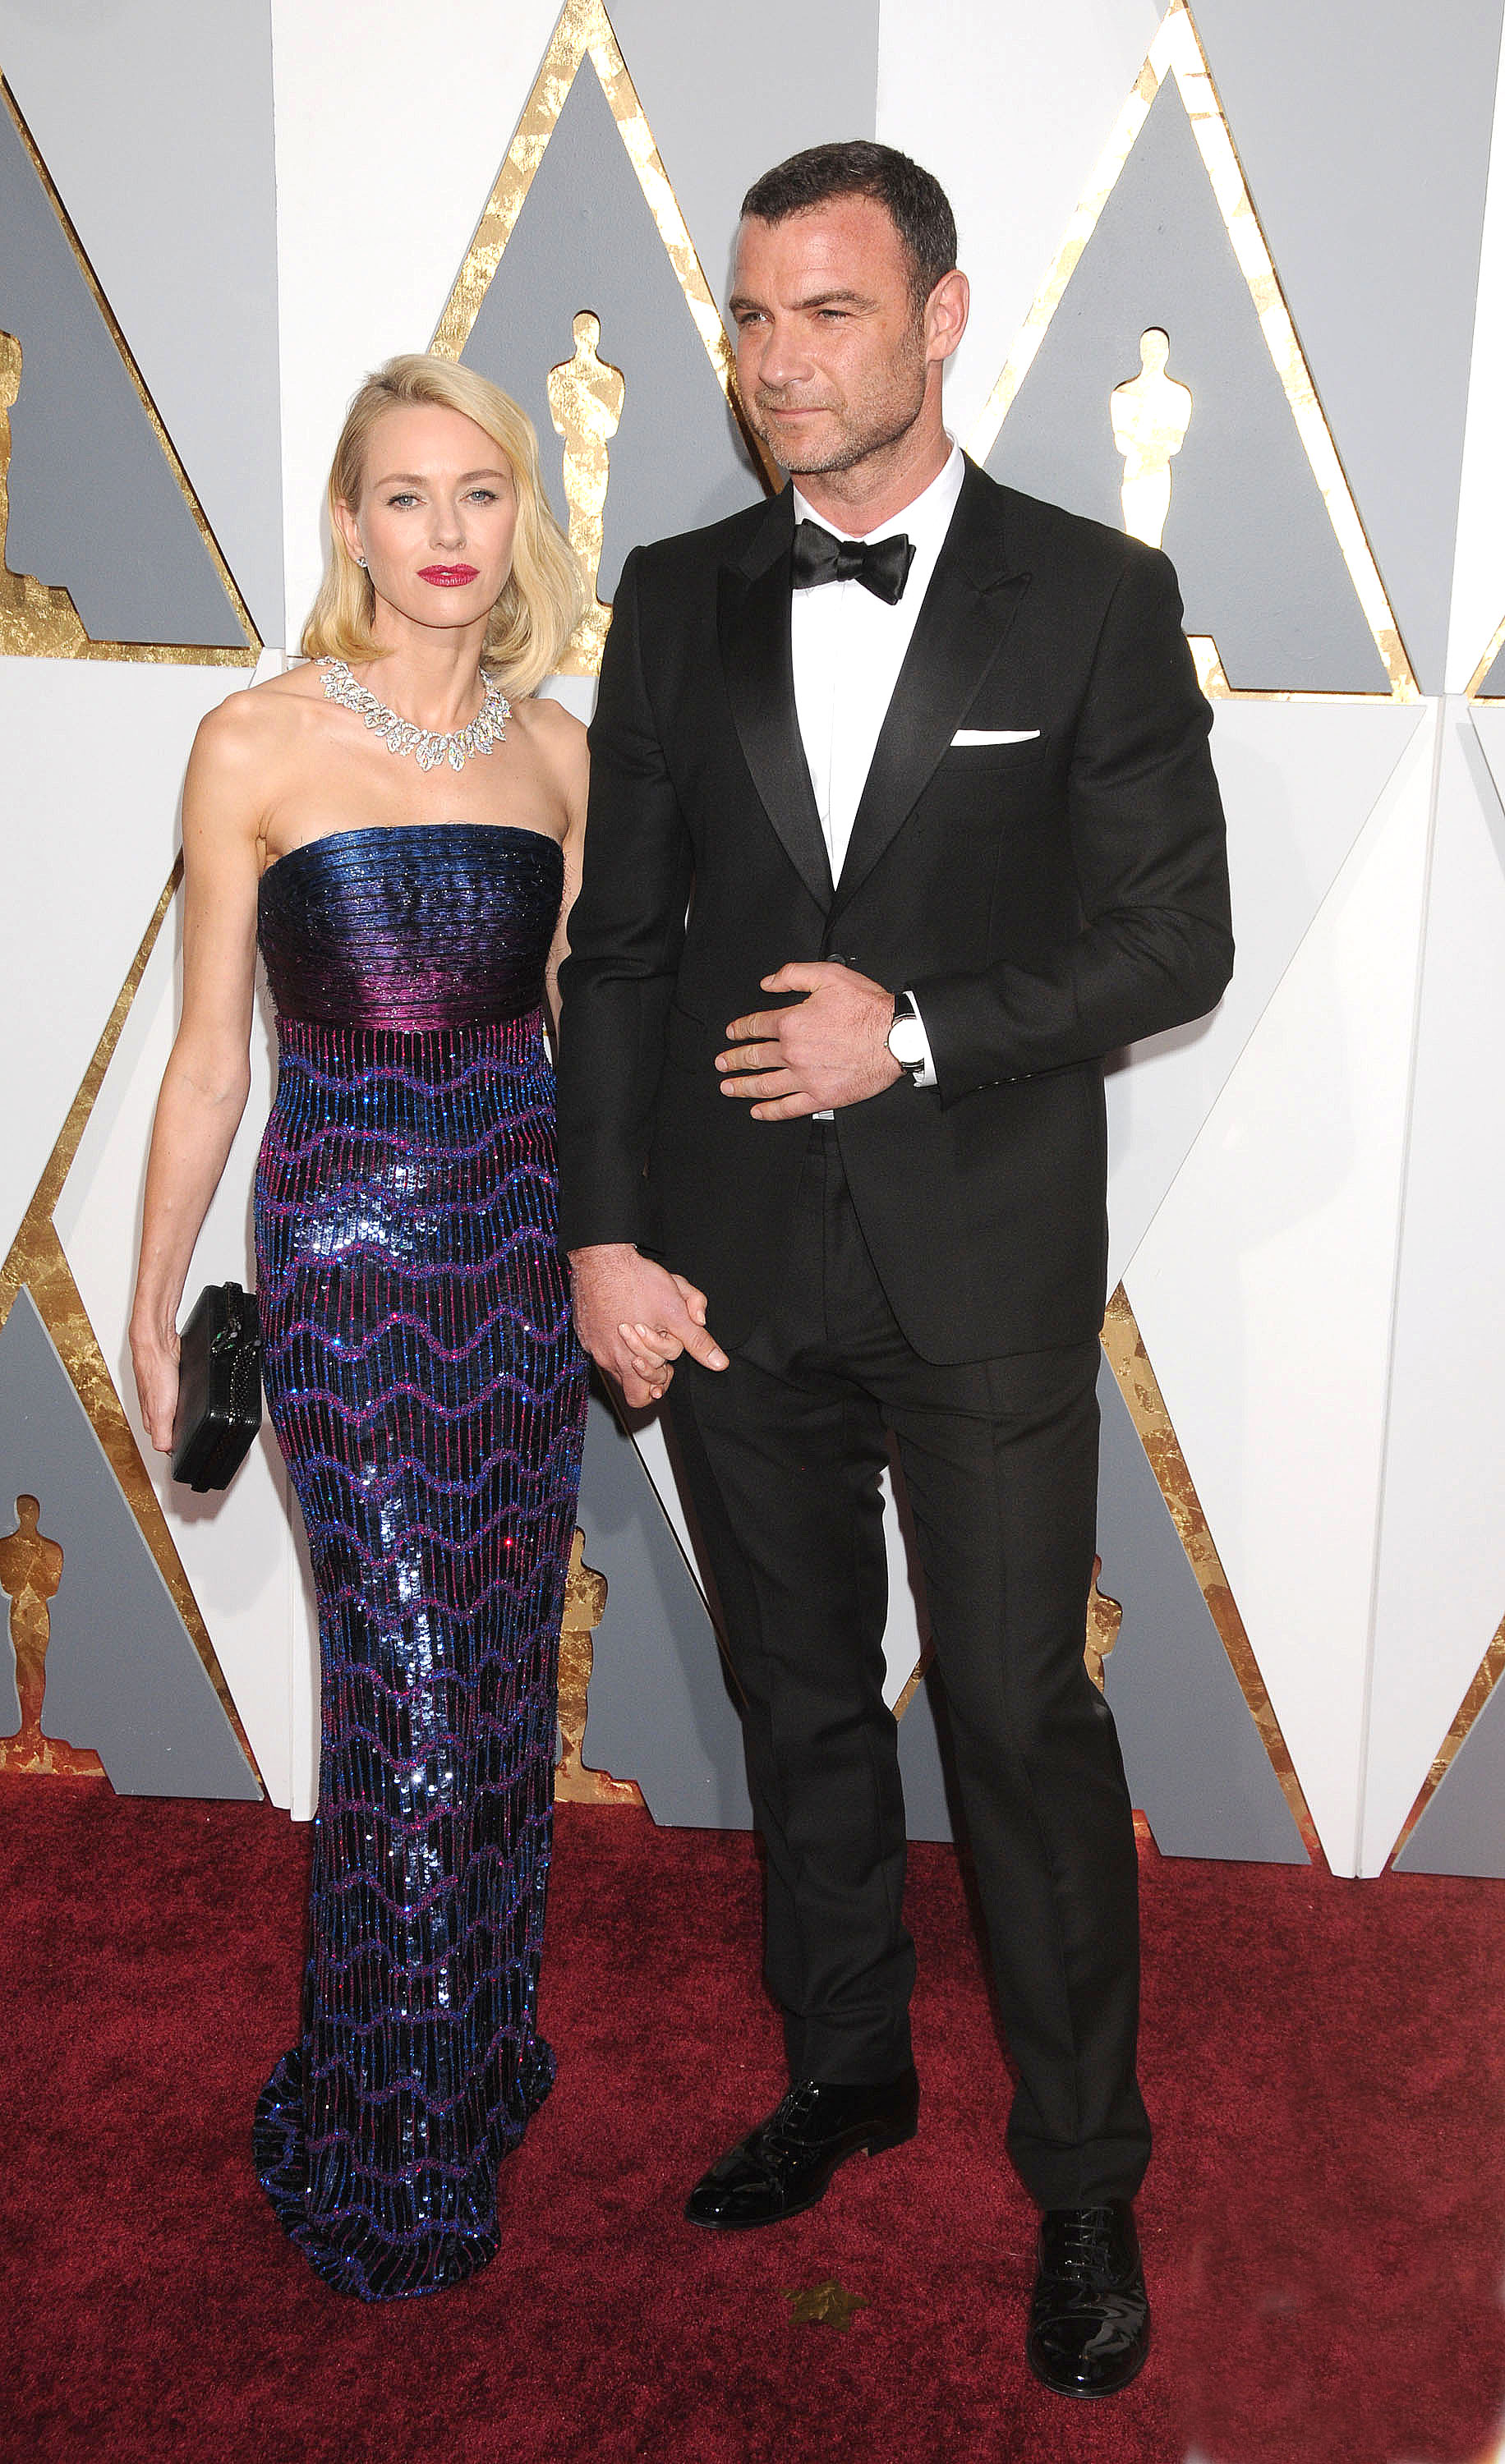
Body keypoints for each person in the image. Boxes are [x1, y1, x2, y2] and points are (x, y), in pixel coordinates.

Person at [556, 143, 1232, 2398]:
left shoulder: (1096, 596)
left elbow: (1174, 940)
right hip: (731, 1268)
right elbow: (619, 952)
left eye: (826, 313)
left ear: (940, 318)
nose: (777, 362)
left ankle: (1085, 2176)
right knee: (800, 1700)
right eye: (752, 318)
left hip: (985, 1266)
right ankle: (846, 2067)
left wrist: (914, 1032)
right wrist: (601, 1232)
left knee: (1021, 1719)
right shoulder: (674, 594)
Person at [130, 355, 589, 2301]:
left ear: (517, 519)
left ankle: (467, 2060)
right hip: (343, 1268)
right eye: (406, 495)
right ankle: (385, 2137)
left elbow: (578, 1043)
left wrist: (618, 1256)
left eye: (478, 493)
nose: (445, 531)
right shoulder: (254, 740)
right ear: (350, 523)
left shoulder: (557, 755)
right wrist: (153, 1301)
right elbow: (208, 1058)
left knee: (495, 1689)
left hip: (521, 1258)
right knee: (403, 1692)